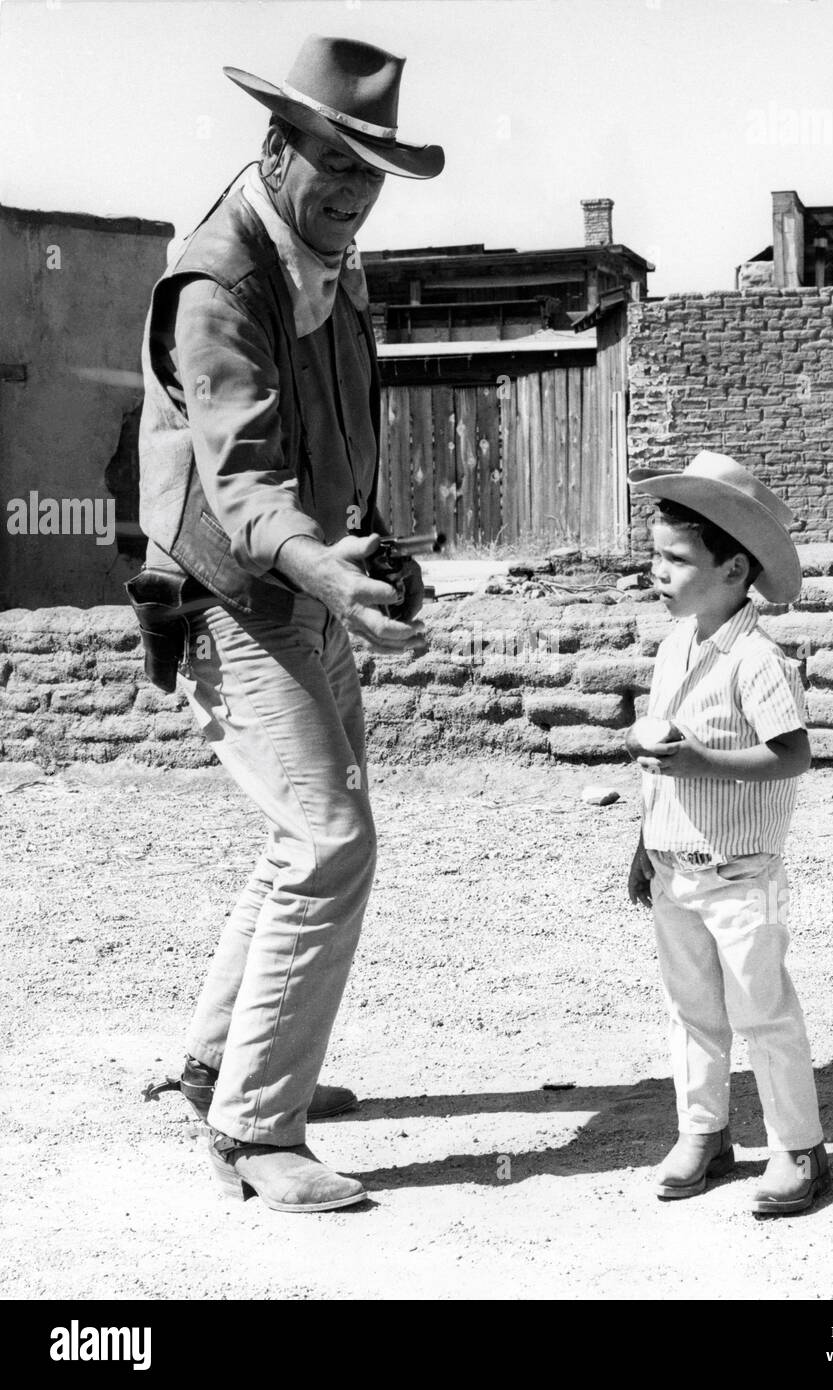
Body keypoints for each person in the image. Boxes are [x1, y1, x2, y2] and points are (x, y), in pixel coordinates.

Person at [136, 36, 444, 1213]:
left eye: (372, 171)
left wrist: (369, 543)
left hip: (307, 577)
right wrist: (326, 567)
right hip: (232, 590)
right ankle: (257, 1129)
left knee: (303, 838)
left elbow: (336, 441)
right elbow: (244, 483)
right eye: (336, 162)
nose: (356, 192)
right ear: (277, 148)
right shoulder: (221, 281)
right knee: (328, 839)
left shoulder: (329, 257)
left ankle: (221, 1063)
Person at [626, 452, 830, 1215]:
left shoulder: (756, 659)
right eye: (655, 555)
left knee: (760, 1010)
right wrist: (643, 845)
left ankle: (798, 1149)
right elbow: (658, 763)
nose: (658, 571)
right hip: (675, 865)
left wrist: (702, 760)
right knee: (692, 1009)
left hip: (741, 873)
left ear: (733, 569)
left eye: (675, 559)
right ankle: (703, 1132)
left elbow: (793, 754)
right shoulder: (677, 642)